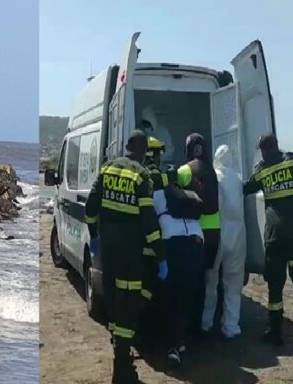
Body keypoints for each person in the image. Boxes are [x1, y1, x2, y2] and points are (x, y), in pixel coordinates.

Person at [85, 130, 167, 383]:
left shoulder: (107, 168)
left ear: (127, 146)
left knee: (113, 302)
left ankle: (122, 360)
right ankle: (122, 370)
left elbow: (91, 206)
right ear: (143, 150)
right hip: (131, 254)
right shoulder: (141, 176)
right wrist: (161, 255)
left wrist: (94, 235)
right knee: (128, 307)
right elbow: (148, 221)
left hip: (108, 252)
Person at [144, 136, 204, 367]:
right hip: (195, 240)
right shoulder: (181, 184)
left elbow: (147, 221)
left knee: (169, 296)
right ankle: (182, 341)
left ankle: (171, 347)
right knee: (186, 295)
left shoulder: (153, 189)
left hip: (172, 242)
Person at [244, 133, 293, 346]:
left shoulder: (262, 170)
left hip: (275, 239)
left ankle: (275, 333)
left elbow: (246, 188)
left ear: (266, 148)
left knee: (275, 286)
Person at [177, 133, 221, 335]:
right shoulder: (212, 170)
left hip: (197, 232)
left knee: (191, 280)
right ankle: (207, 322)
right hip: (215, 232)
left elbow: (170, 189)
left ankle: (192, 325)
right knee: (208, 279)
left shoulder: (186, 170)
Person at [202, 144, 246, 339]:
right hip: (238, 234)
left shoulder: (215, 176)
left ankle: (206, 323)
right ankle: (231, 327)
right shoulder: (237, 178)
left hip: (219, 231)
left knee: (210, 282)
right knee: (233, 284)